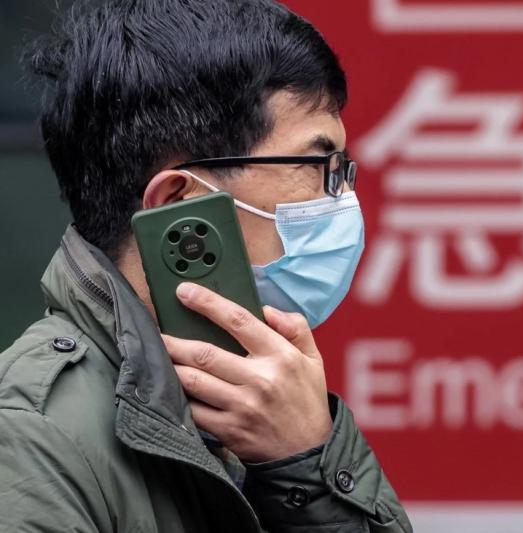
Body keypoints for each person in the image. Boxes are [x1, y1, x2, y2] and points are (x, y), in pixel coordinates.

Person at [0, 1, 412, 531]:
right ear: (179, 202)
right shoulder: (30, 437)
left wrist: (306, 467)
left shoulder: (265, 414)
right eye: (317, 166)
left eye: (343, 171)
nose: (343, 200)